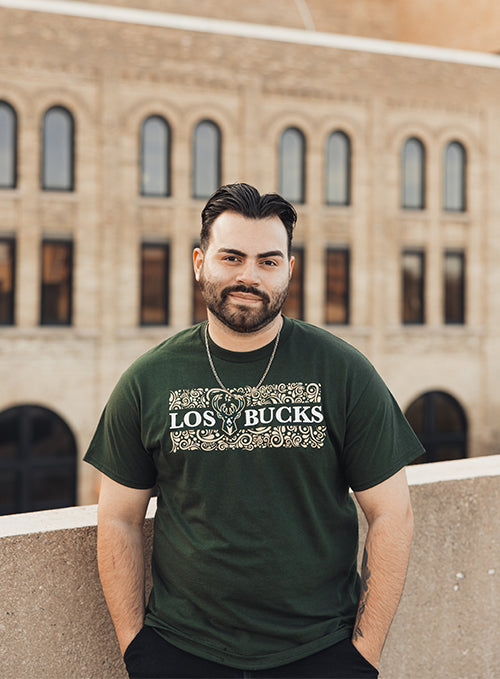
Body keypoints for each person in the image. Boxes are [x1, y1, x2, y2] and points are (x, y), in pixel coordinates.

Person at [85, 182, 424, 679]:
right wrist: (138, 651)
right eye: (232, 257)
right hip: (181, 653)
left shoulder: (343, 371)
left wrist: (362, 655)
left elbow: (393, 514)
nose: (249, 276)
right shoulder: (148, 379)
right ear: (200, 263)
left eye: (268, 261)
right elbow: (118, 518)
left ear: (290, 269)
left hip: (320, 652)